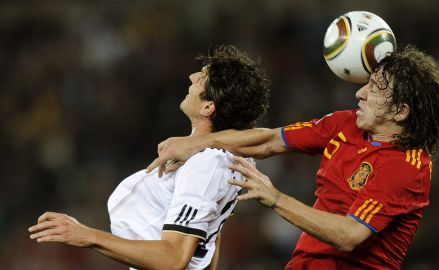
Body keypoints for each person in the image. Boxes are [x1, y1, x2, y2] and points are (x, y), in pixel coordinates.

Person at [146, 45, 439, 269]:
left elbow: (349, 235)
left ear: (400, 111)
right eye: (366, 83)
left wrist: (275, 198)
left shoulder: (407, 168)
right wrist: (198, 144)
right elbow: (269, 140)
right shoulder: (345, 123)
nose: (360, 93)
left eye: (375, 89)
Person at [28, 45, 270, 270]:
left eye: (202, 78)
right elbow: (207, 243)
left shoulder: (206, 165)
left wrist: (86, 235)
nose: (192, 77)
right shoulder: (217, 158)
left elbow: (174, 257)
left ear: (208, 107)